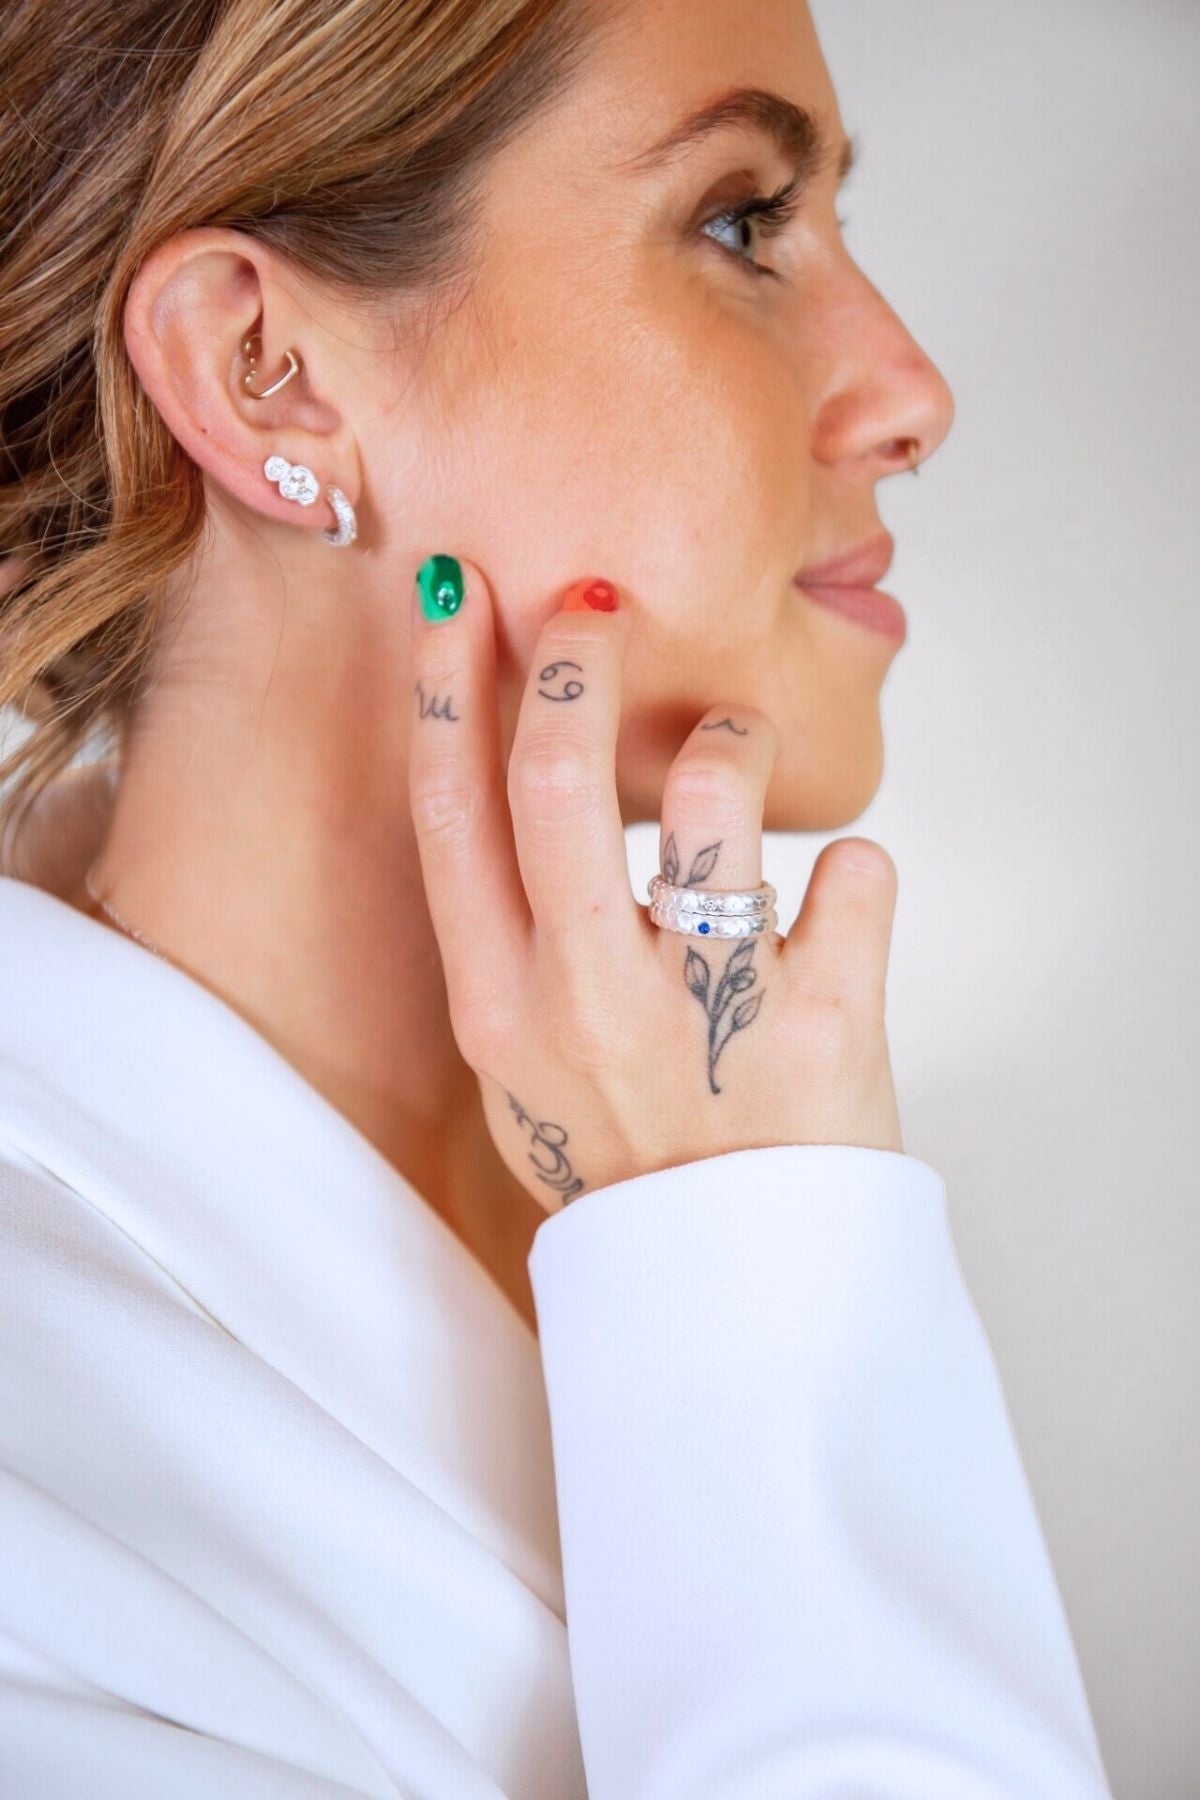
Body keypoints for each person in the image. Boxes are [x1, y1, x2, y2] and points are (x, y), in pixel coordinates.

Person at [0, 0, 1114, 1794]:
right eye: (744, 219)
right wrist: (737, 1267)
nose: (914, 392)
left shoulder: (709, 1148)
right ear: (266, 369)